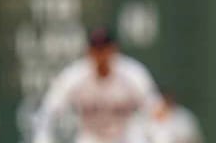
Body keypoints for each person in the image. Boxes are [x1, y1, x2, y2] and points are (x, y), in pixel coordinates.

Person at [33, 27, 161, 143]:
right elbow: (48, 112)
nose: (101, 55)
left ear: (114, 49)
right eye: (96, 49)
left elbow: (156, 111)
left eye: (104, 48)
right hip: (91, 138)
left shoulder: (133, 74)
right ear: (89, 51)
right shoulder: (75, 77)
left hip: (126, 137)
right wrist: (43, 138)